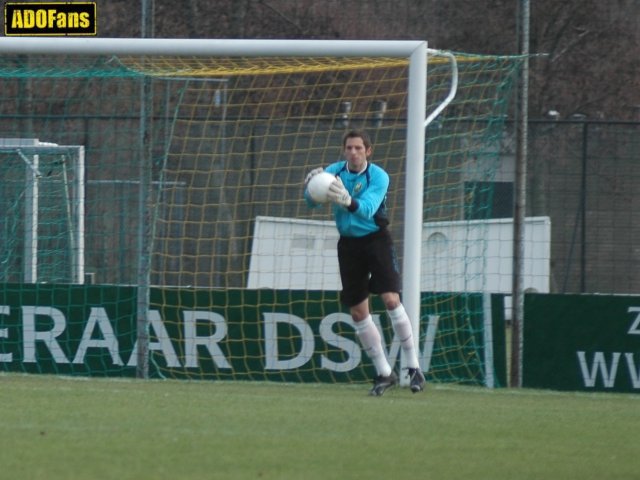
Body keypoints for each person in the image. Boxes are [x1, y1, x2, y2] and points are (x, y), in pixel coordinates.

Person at [304, 129, 425, 396]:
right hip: (348, 245)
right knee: (358, 313)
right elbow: (311, 203)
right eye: (349, 148)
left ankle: (414, 367)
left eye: (359, 148)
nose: (354, 152)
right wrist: (311, 189)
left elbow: (368, 209)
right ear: (344, 150)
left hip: (376, 241)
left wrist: (347, 200)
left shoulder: (379, 176)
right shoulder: (334, 171)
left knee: (391, 300)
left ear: (368, 151)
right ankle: (384, 373)